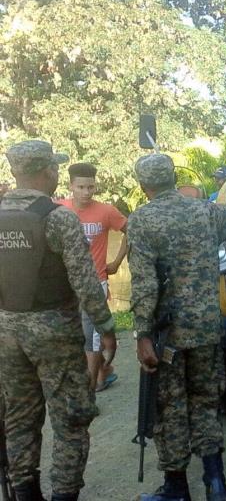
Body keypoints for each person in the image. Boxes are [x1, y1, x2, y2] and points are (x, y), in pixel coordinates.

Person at [0, 140, 116, 500]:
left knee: (19, 417)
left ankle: (25, 492)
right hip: (54, 333)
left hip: (6, 333)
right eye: (54, 167)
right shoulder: (58, 217)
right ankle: (64, 494)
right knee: (71, 419)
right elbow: (85, 282)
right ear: (47, 171)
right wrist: (106, 327)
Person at [129, 154, 226, 501]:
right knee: (207, 400)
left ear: (143, 186)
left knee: (170, 407)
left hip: (168, 335)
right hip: (207, 328)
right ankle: (216, 482)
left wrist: (142, 334)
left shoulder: (142, 220)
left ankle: (176, 488)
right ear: (173, 178)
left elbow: (145, 284)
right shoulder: (204, 211)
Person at [58, 162, 128, 393]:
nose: (86, 192)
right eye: (81, 187)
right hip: (66, 283)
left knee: (92, 336)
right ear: (71, 186)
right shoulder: (59, 209)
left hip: (96, 281)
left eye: (90, 187)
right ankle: (102, 371)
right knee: (71, 333)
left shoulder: (106, 211)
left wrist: (116, 262)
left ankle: (92, 385)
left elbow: (131, 231)